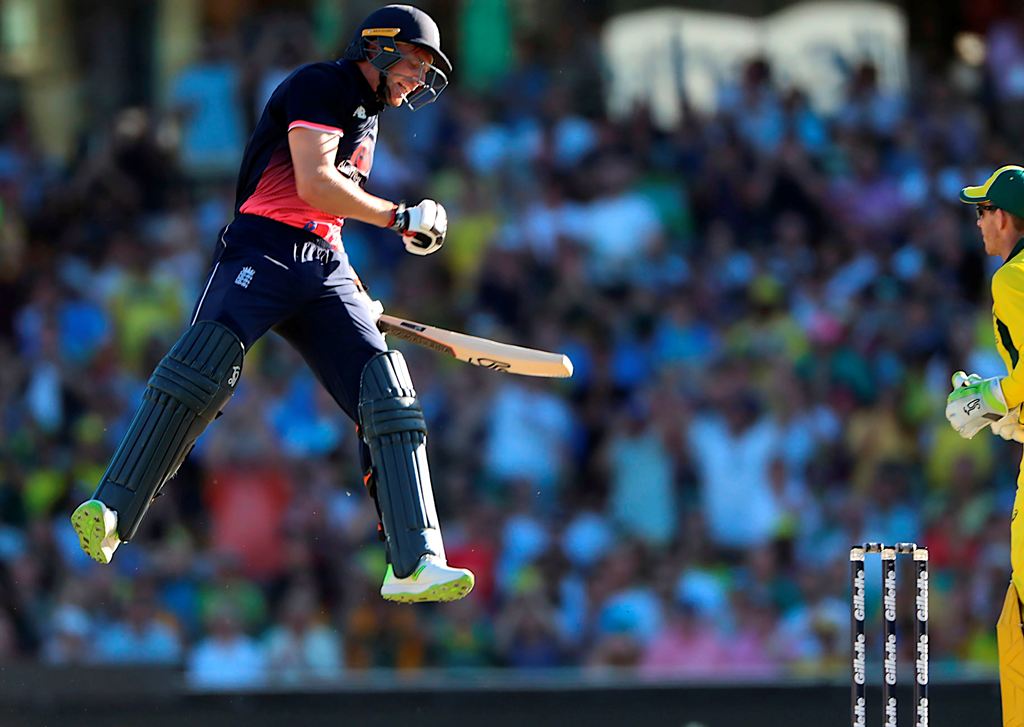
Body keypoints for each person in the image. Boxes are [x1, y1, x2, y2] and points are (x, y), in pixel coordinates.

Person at [70, 5, 475, 604]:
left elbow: (327, 216)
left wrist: (353, 289)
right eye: (415, 63)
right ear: (381, 47)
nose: (418, 80)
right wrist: (399, 218)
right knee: (202, 369)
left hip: (323, 265)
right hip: (262, 247)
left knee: (387, 394)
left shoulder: (367, 118)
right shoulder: (321, 83)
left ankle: (415, 561)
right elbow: (312, 183)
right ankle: (111, 511)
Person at [946, 164, 1024, 723]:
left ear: (1005, 218)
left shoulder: (1012, 278)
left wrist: (992, 397)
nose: (978, 223)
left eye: (983, 211)